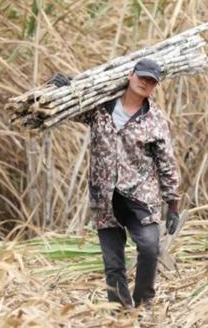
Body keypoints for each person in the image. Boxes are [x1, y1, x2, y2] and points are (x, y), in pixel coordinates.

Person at [50, 58, 180, 309]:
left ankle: (144, 304)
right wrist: (62, 90)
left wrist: (172, 204)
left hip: (140, 196)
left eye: (151, 81)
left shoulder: (154, 120)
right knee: (113, 264)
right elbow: (70, 109)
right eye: (142, 76)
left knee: (150, 247)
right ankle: (121, 313)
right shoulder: (100, 109)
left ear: (155, 87)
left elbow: (167, 163)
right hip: (104, 198)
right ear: (130, 75)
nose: (145, 82)